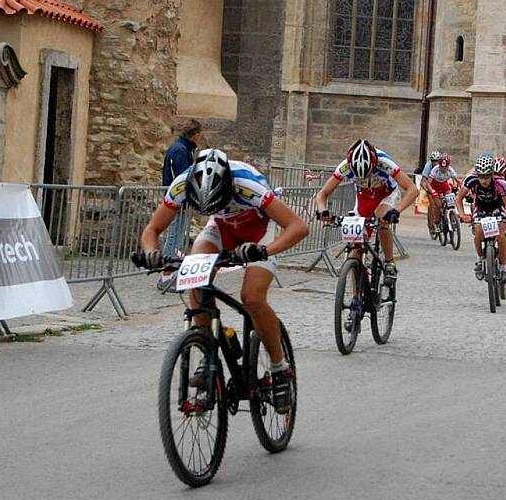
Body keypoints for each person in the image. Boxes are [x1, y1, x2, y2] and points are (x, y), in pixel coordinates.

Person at [134, 149, 309, 414]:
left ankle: (279, 368)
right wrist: (150, 253)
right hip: (221, 228)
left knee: (252, 297)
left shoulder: (248, 184)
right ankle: (209, 347)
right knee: (195, 276)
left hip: (259, 231)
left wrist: (264, 251)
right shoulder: (182, 183)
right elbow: (152, 230)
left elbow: (298, 227)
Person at [315, 139, 418, 284]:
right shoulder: (345, 167)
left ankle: (389, 262)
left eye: (368, 173)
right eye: (360, 175)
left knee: (382, 217)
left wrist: (396, 210)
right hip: (364, 196)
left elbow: (413, 190)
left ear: (374, 165)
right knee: (355, 247)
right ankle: (357, 294)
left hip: (386, 193)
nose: (366, 177)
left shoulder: (384, 162)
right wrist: (323, 211)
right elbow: (322, 194)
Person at [456, 156, 506, 283]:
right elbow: (459, 199)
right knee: (478, 232)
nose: (484, 181)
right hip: (480, 207)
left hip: (497, 207)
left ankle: (504, 268)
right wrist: (462, 214)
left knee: (501, 236)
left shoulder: (501, 183)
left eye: (487, 177)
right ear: (477, 175)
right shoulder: (471, 180)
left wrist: (504, 223)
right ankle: (480, 260)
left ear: (492, 175)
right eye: (481, 177)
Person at [158, 120, 202, 289]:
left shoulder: (182, 149)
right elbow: (182, 178)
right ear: (195, 134)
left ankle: (171, 274)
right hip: (178, 200)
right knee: (174, 236)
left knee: (176, 236)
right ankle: (166, 275)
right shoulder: (181, 151)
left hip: (179, 199)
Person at [420, 150, 443, 236]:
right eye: (433, 161)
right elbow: (423, 181)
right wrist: (427, 190)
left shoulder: (443, 164)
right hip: (430, 185)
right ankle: (432, 223)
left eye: (437, 161)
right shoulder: (428, 166)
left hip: (440, 183)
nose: (435, 163)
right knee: (433, 203)